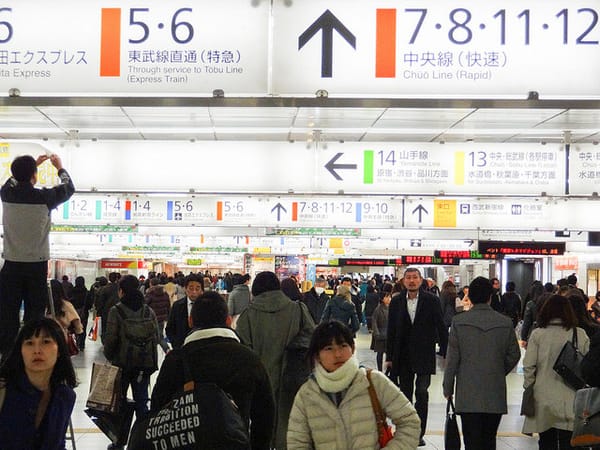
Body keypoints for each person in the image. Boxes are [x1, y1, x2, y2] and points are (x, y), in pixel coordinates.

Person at [151, 291, 276, 449]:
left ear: (191, 321)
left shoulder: (176, 360)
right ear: (228, 321)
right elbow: (265, 416)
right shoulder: (249, 359)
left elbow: (157, 408)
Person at [287, 320, 421, 449]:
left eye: (343, 346)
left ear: (353, 348)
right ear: (317, 355)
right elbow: (297, 443)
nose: (338, 354)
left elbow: (410, 422)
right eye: (329, 348)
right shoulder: (307, 394)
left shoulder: (373, 382)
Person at [0, 153, 75, 359]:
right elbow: (69, 188)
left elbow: (11, 180)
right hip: (36, 266)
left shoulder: (7, 194)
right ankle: (32, 355)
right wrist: (59, 167)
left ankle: (6, 357)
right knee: (35, 316)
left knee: (8, 316)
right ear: (34, 176)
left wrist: (34, 164)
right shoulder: (46, 197)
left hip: (11, 265)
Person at [236, 271, 315, 450]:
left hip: (258, 387)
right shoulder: (298, 310)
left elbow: (243, 355)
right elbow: (313, 340)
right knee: (292, 432)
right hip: (294, 382)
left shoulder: (247, 316)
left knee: (259, 432)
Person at [443, 277, 521, 450]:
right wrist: (498, 370)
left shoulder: (459, 322)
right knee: (489, 439)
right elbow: (514, 354)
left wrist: (447, 387)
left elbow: (452, 359)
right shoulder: (505, 322)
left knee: (471, 440)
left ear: (469, 296)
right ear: (490, 297)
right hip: (495, 391)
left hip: (467, 392)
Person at [386, 267, 448, 446]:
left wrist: (446, 352)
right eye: (408, 278)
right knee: (405, 395)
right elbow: (392, 330)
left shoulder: (432, 301)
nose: (411, 281)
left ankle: (419, 432)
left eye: (415, 277)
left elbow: (441, 326)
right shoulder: (397, 302)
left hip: (424, 354)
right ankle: (406, 430)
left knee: (422, 392)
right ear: (403, 281)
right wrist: (389, 357)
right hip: (402, 355)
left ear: (421, 280)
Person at [522, 294, 590, 449]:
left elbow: (529, 366)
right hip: (571, 397)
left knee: (546, 442)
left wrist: (530, 387)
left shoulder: (538, 334)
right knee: (569, 442)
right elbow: (587, 366)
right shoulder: (579, 333)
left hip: (543, 397)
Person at [0, 317, 77, 449]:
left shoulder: (65, 396)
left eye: (46, 342)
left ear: (59, 350)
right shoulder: (4, 390)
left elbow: (58, 444)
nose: (37, 350)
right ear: (20, 351)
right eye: (29, 343)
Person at [103, 275, 159, 426]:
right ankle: (143, 439)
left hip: (122, 364)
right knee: (142, 402)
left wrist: (109, 356)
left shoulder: (116, 311)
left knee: (118, 402)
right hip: (143, 364)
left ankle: (118, 441)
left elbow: (110, 339)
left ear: (121, 291)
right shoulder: (148, 311)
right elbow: (157, 337)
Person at [165, 273, 203, 349]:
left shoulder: (206, 306)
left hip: (201, 349)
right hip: (181, 348)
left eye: (197, 288)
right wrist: (176, 345)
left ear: (202, 290)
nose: (194, 292)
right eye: (191, 288)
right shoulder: (177, 306)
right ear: (185, 289)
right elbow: (170, 328)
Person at [144, 277, 171, 354]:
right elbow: (168, 305)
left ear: (151, 284)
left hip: (150, 319)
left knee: (155, 338)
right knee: (159, 336)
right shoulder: (165, 293)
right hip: (161, 319)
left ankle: (166, 350)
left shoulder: (150, 294)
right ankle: (165, 350)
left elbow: (144, 305)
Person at [370, 290, 391, 371]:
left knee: (389, 354)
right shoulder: (378, 309)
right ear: (382, 298)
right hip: (380, 334)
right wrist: (376, 333)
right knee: (380, 353)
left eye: (390, 297)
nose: (389, 299)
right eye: (387, 297)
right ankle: (379, 370)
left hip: (389, 334)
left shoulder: (392, 308)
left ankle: (388, 370)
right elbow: (374, 321)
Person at [70, 276, 92, 350]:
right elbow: (90, 304)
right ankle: (82, 345)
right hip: (84, 313)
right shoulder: (87, 292)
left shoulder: (72, 291)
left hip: (73, 313)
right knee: (83, 328)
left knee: (74, 327)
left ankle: (75, 343)